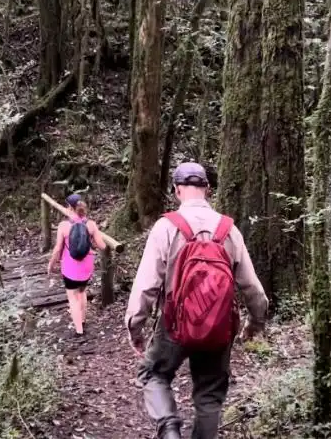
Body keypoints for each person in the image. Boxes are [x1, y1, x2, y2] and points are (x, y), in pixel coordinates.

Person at [125, 162, 269, 439]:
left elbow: (146, 285)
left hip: (174, 325)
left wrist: (136, 326)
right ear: (207, 190)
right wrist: (255, 322)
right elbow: (251, 286)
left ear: (177, 190)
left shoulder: (166, 227)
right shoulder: (229, 230)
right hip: (219, 325)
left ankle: (168, 428)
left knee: (153, 374)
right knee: (210, 394)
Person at [48, 194, 106, 337]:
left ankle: (79, 330)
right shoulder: (91, 224)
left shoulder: (63, 226)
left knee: (73, 297)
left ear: (69, 207)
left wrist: (51, 264)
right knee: (82, 292)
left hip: (70, 267)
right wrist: (89, 240)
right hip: (86, 266)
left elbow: (57, 249)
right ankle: (83, 320)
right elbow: (103, 246)